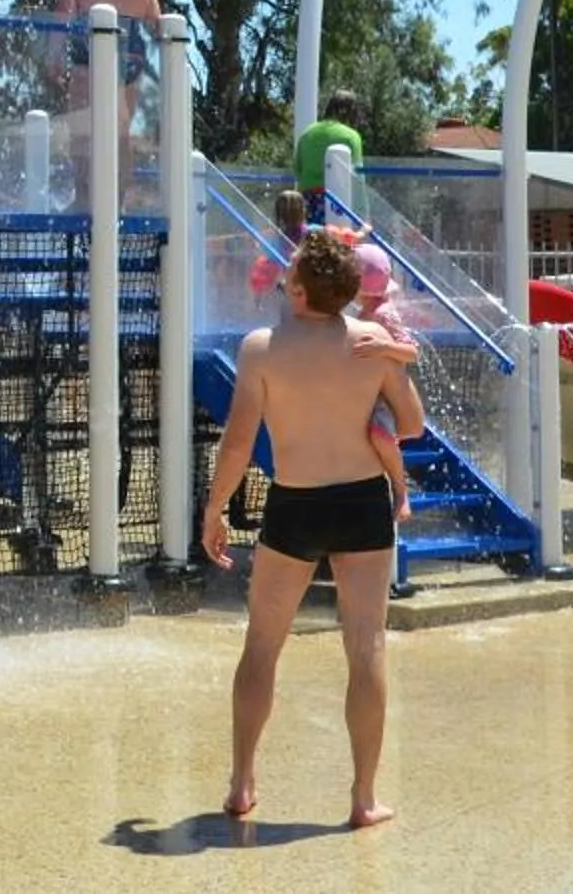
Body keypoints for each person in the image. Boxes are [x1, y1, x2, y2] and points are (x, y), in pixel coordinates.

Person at [201, 231, 424, 831]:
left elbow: (240, 442)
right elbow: (411, 424)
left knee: (263, 644)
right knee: (367, 647)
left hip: (295, 503)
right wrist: (396, 357)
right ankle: (363, 797)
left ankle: (243, 782)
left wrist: (215, 508)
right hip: (361, 504)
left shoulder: (261, 349)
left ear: (299, 291)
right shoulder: (370, 345)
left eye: (287, 272)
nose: (279, 278)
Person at [55, 0, 163, 205]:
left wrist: (53, 58)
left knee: (81, 125)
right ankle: (119, 199)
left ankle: (82, 194)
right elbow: (161, 28)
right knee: (122, 130)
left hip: (88, 54)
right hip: (131, 55)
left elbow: (60, 22)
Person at [346, 242, 422, 523]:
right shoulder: (364, 312)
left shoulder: (383, 313)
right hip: (367, 389)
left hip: (383, 395)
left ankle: (401, 491)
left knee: (380, 434)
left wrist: (383, 347)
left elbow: (412, 352)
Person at [294, 89, 368, 215]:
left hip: (306, 203)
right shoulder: (351, 136)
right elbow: (357, 178)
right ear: (349, 111)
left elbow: (297, 169)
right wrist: (363, 214)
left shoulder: (307, 133)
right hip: (337, 204)